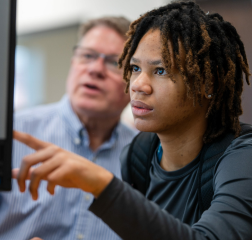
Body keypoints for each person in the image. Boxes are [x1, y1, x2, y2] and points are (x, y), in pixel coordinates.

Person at [13, 1, 252, 240]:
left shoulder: (242, 156)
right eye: (135, 68)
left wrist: (101, 183)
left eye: (160, 71)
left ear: (207, 84)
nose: (137, 85)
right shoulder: (139, 154)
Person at [0, 17, 138, 240]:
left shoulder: (148, 155)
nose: (95, 69)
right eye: (87, 56)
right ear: (73, 60)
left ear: (135, 79)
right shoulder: (12, 133)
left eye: (114, 62)